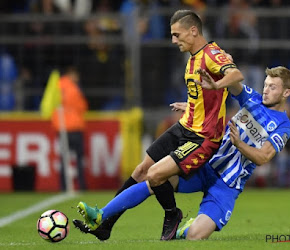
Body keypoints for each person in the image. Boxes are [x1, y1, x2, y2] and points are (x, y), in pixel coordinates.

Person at [74, 9, 244, 240]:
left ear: (193, 31)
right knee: (141, 170)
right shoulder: (193, 57)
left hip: (202, 138)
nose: (173, 40)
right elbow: (205, 96)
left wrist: (217, 86)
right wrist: (192, 105)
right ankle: (105, 224)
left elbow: (235, 75)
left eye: (177, 34)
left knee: (154, 175)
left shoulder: (212, 54)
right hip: (185, 126)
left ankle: (172, 213)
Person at [74, 65, 290, 241]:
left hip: (226, 185)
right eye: (266, 85)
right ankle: (101, 214)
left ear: (286, 92)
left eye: (272, 87)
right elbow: (233, 84)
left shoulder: (283, 126)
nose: (266, 90)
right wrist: (205, 94)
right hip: (205, 164)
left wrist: (240, 145)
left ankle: (184, 230)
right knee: (155, 177)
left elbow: (264, 157)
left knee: (195, 237)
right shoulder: (252, 99)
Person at [51, 66, 88, 191]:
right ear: (71, 73)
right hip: (75, 127)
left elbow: (50, 105)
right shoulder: (73, 88)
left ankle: (63, 186)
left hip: (62, 128)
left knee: (64, 158)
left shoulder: (56, 86)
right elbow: (82, 106)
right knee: (78, 158)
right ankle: (82, 186)